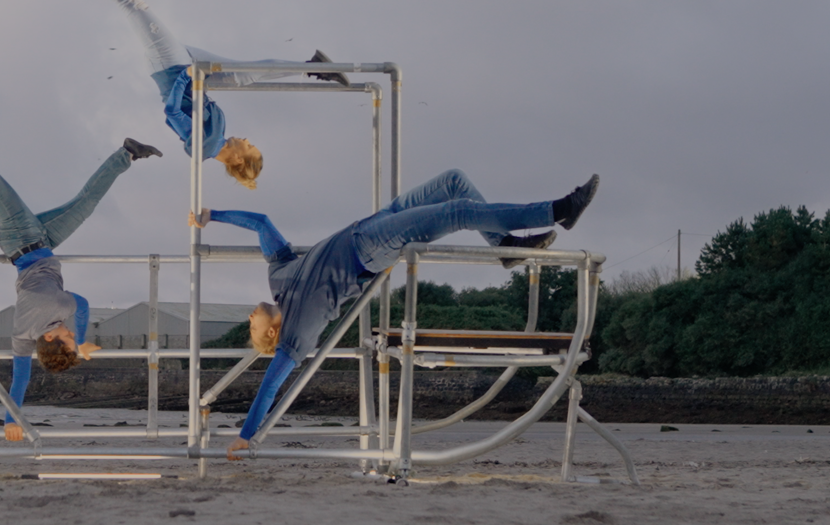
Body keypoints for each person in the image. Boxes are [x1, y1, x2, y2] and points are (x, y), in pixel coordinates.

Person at [187, 169, 600, 460]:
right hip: (367, 249)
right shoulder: (297, 334)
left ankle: (504, 246)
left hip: (371, 222)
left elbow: (261, 222)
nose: (249, 320)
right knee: (457, 212)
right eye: (253, 330)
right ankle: (558, 210)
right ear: (271, 336)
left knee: (454, 181)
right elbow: (270, 387)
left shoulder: (278, 274)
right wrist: (245, 435)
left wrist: (212, 216)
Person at [67, 0, 347, 189]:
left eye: (249, 146)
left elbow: (172, 112)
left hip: (172, 68)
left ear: (238, 160)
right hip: (190, 69)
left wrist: (186, 76)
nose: (248, 140)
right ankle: (312, 67)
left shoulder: (203, 148)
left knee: (130, 2)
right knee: (243, 75)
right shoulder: (219, 137)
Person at [0, 138, 163, 441]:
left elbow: (83, 304)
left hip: (20, 235)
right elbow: (20, 380)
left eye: (65, 335)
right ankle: (128, 153)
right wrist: (10, 420)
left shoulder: (57, 307)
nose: (67, 330)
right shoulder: (24, 338)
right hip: (44, 242)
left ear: (51, 336)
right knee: (85, 204)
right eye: (69, 334)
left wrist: (80, 341)